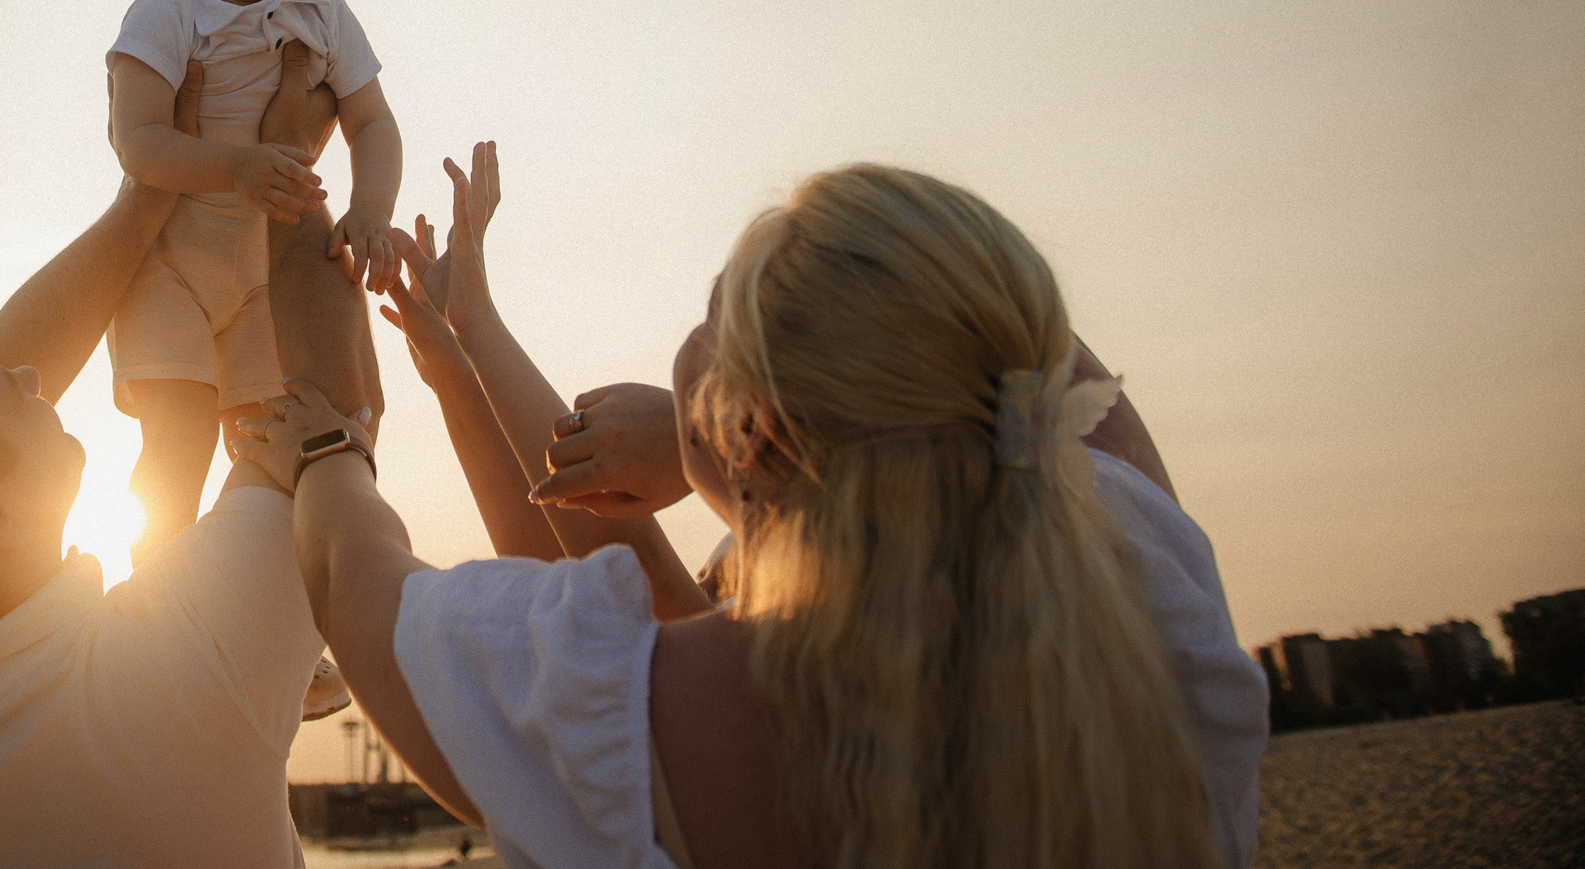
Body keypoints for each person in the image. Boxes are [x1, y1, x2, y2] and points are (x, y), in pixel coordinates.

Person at [235, 152, 1271, 869]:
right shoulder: (1142, 570)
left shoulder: (690, 712)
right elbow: (1001, 325)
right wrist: (473, 352)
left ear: (754, 425)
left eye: (710, 314)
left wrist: (331, 438)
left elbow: (352, 579)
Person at [0, 48, 380, 869]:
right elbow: (333, 407)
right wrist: (288, 166)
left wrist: (152, 190)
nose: (31, 377)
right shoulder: (176, 670)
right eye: (10, 395)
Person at [104, 0, 401, 564]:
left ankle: (267, 626)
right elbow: (136, 140)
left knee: (273, 450)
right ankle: (156, 611)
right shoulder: (166, 12)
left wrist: (370, 208)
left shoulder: (325, 18)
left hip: (269, 277)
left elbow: (373, 123)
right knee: (175, 447)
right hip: (170, 266)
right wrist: (236, 167)